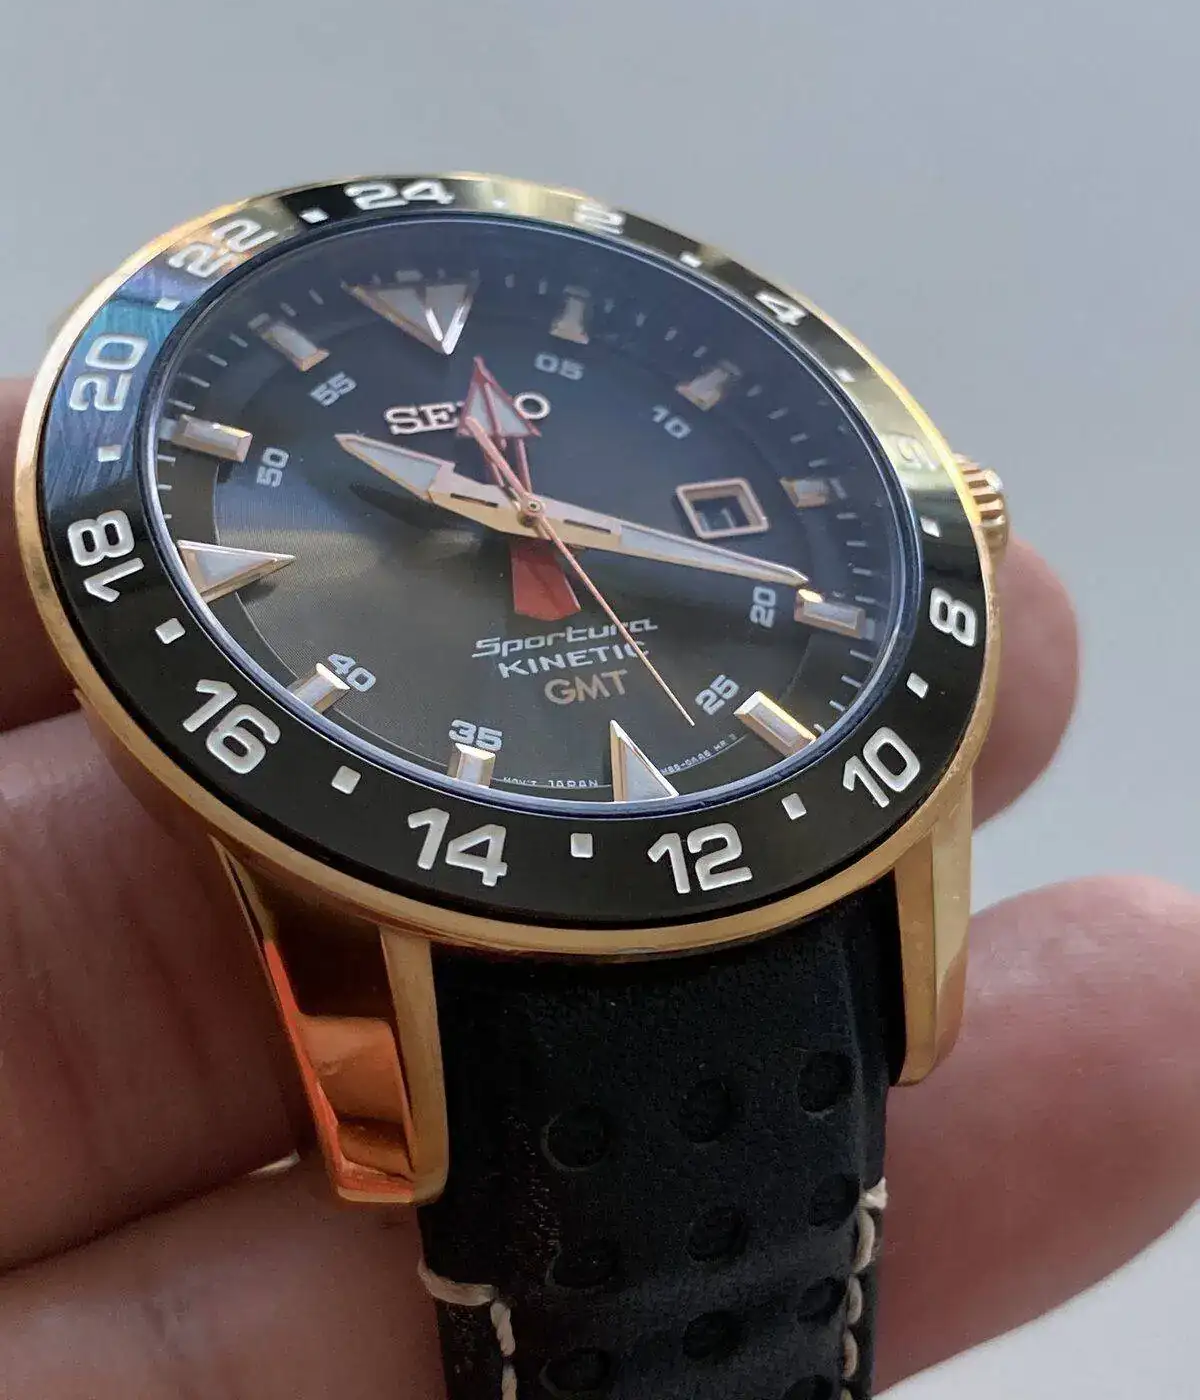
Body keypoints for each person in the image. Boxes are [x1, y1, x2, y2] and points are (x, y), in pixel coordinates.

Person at [0, 373, 1195, 1396]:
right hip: (468, 952)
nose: (527, 517)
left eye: (533, 511)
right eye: (507, 511)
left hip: (791, 878)